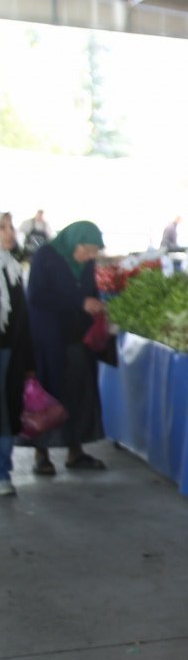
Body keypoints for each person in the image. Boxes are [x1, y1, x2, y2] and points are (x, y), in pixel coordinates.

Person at [22, 221, 108, 474]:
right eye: (88, 251)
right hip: (48, 338)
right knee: (47, 395)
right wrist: (80, 301)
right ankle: (41, 454)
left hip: (78, 338)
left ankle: (75, 450)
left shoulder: (87, 262)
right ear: (75, 243)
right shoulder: (45, 257)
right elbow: (37, 296)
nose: (91, 257)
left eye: (94, 252)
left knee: (78, 392)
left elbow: (90, 290)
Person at [0, 212, 34, 496]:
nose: (10, 233)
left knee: (8, 410)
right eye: (3, 228)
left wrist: (28, 360)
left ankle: (3, 473)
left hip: (11, 353)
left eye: (10, 227)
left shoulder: (12, 269)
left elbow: (21, 320)